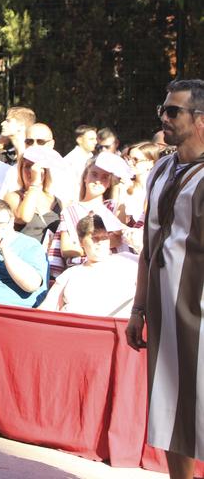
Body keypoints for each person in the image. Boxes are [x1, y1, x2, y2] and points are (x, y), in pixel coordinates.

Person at [126, 79, 204, 479]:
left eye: (174, 111)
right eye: (164, 109)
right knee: (173, 410)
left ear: (200, 120)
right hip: (163, 310)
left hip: (199, 312)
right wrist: (138, 308)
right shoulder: (160, 167)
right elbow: (148, 244)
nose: (163, 117)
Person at [38, 215, 137, 317]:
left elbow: (152, 267)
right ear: (81, 242)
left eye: (104, 237)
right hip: (74, 327)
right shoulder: (70, 273)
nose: (100, 242)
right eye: (94, 238)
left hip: (115, 327)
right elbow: (47, 307)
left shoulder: (129, 261)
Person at [3, 146, 62, 243]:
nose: (33, 171)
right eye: (27, 166)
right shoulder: (13, 197)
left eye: (37, 167)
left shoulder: (56, 200)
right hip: (23, 255)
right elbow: (24, 217)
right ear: (20, 170)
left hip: (51, 257)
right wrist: (35, 185)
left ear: (45, 171)